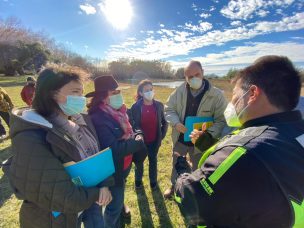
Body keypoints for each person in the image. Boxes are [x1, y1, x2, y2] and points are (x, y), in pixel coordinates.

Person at [174, 55, 304, 227]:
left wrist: (183, 172)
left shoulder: (246, 152)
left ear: (252, 93)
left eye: (235, 96)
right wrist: (208, 144)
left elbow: (190, 199)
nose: (232, 103)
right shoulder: (293, 135)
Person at [4, 65, 113, 228]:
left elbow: (96, 156)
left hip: (89, 202)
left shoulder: (81, 119)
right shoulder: (31, 135)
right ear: (51, 93)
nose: (81, 98)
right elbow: (61, 195)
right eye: (75, 92)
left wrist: (104, 184)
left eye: (82, 92)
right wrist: (97, 192)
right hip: (54, 218)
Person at [87, 75, 147, 228]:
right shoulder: (98, 118)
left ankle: (120, 213)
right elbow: (113, 149)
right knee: (113, 208)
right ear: (103, 97)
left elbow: (134, 126)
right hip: (111, 172)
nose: (118, 95)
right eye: (113, 93)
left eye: (118, 91)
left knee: (118, 199)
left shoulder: (121, 110)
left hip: (124, 166)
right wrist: (137, 142)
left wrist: (138, 134)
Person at [163, 60, 227, 198]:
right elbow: (168, 109)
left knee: (198, 166)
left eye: (197, 74)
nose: (194, 79)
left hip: (200, 141)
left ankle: (194, 190)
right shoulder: (178, 92)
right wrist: (175, 123)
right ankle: (174, 186)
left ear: (203, 73)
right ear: (185, 77)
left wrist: (206, 134)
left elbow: (222, 121)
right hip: (180, 138)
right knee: (176, 163)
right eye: (189, 76)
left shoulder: (217, 95)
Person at [129, 79, 168, 190]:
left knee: (153, 161)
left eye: (151, 89)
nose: (150, 92)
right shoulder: (135, 107)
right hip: (141, 142)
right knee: (139, 162)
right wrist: (138, 135)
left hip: (154, 141)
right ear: (141, 93)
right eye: (146, 90)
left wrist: (161, 136)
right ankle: (138, 182)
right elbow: (133, 124)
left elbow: (165, 122)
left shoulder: (159, 105)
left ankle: (153, 182)